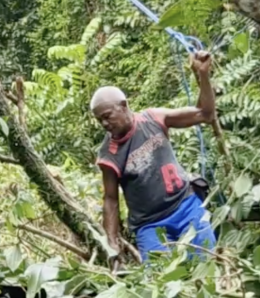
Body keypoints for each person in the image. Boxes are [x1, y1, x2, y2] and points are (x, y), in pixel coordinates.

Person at [92, 51, 218, 261]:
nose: (105, 124)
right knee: (160, 277)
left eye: (107, 116)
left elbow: (205, 114)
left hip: (186, 206)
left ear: (123, 106)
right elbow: (111, 199)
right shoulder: (109, 155)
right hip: (150, 224)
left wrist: (203, 75)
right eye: (100, 120)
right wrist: (112, 244)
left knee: (206, 264)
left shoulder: (153, 119)